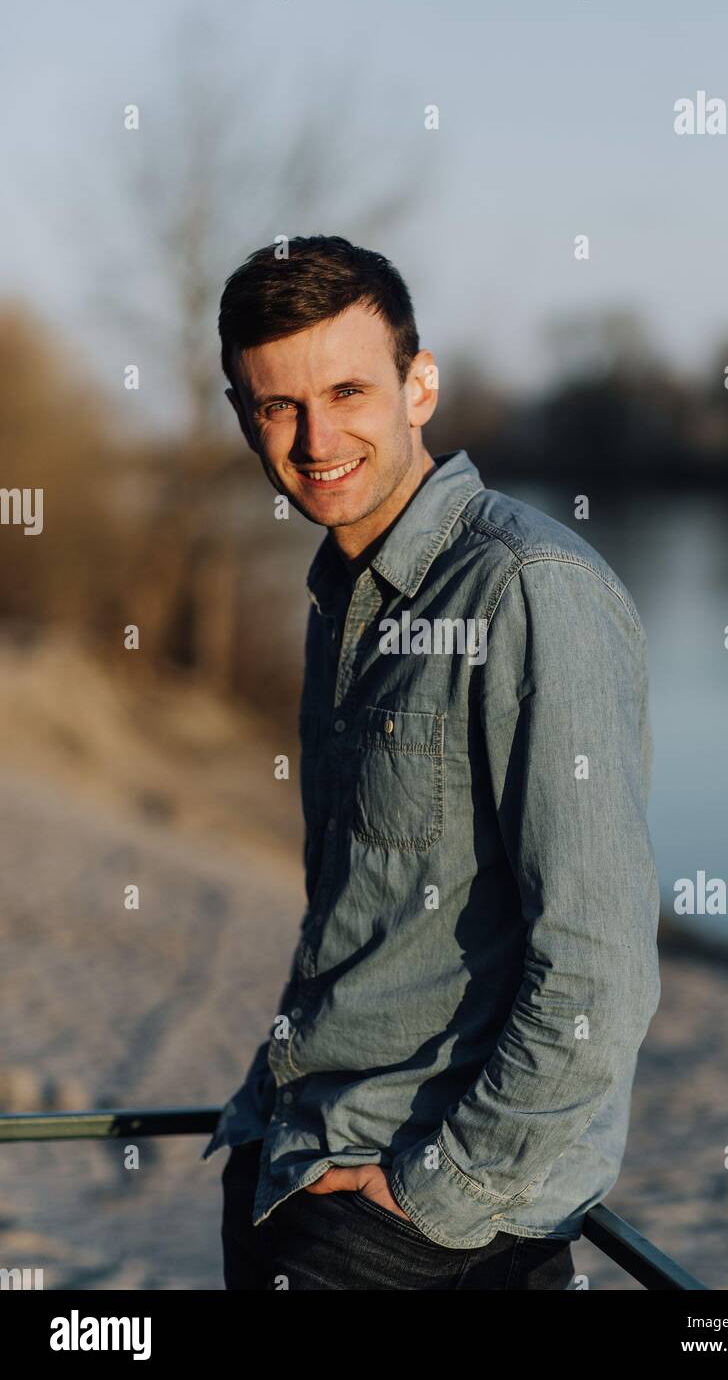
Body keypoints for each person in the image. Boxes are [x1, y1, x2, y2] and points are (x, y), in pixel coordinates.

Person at [202, 235, 662, 1290]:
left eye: (348, 388)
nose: (316, 438)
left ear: (420, 386)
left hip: (413, 1234)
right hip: (291, 1158)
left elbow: (599, 964)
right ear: (242, 415)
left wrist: (432, 1195)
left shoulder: (523, 589)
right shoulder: (342, 599)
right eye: (276, 405)